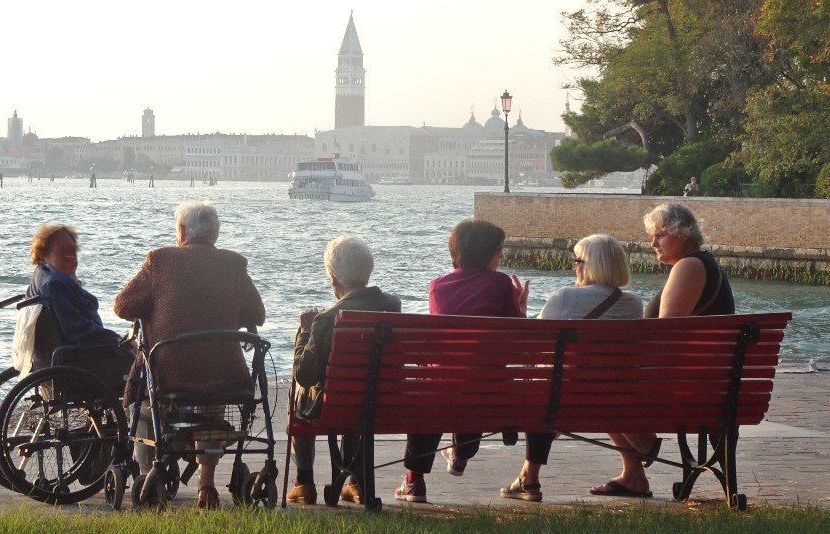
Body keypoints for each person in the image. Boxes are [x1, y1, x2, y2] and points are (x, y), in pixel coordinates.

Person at [114, 200, 265, 510]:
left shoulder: (160, 260)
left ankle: (147, 474)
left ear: (180, 231)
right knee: (213, 400)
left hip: (171, 371)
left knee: (145, 397)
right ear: (215, 234)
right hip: (225, 373)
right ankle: (206, 485)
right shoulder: (234, 264)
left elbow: (123, 306)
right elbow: (257, 314)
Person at [590, 202, 735, 498]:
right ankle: (634, 471)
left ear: (682, 234)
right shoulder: (704, 264)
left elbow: (667, 335)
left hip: (689, 389)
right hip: (711, 384)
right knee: (600, 378)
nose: (652, 243)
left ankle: (642, 449)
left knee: (594, 383)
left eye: (659, 236)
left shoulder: (689, 266)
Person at [499, 234, 643, 502]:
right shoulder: (633, 303)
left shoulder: (564, 297)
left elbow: (531, 349)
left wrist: (520, 310)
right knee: (591, 380)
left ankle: (529, 478)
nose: (573, 267)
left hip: (562, 399)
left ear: (591, 265)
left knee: (545, 386)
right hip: (614, 398)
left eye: (577, 261)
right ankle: (634, 473)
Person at [396, 218, 530, 504]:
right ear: (485, 253)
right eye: (498, 250)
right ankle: (460, 453)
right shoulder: (501, 284)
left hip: (442, 391)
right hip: (489, 391)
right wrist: (520, 308)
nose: (501, 255)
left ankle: (414, 481)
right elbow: (517, 339)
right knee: (477, 379)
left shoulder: (437, 287)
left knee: (436, 385)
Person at [286, 235, 401, 506]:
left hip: (336, 405)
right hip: (383, 400)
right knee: (360, 391)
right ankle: (356, 483)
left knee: (298, 390)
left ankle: (304, 481)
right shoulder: (393, 306)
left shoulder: (326, 319)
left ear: (333, 277)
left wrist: (304, 331)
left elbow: (305, 374)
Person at [24, 223, 121, 358]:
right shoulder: (55, 284)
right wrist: (118, 339)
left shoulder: (42, 274)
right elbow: (77, 330)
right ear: (42, 253)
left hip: (63, 353)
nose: (70, 257)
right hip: (80, 355)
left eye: (73, 251)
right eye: (62, 252)